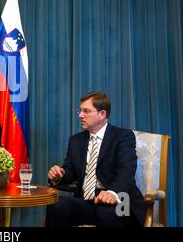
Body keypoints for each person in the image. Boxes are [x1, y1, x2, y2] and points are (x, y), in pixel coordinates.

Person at [45, 91, 145, 227]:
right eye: (80, 111)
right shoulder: (76, 140)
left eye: (86, 111)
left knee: (106, 213)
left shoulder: (122, 136)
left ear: (102, 114)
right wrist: (59, 175)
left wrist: (112, 192)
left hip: (121, 201)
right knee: (56, 205)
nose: (80, 115)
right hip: (86, 201)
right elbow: (70, 171)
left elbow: (126, 170)